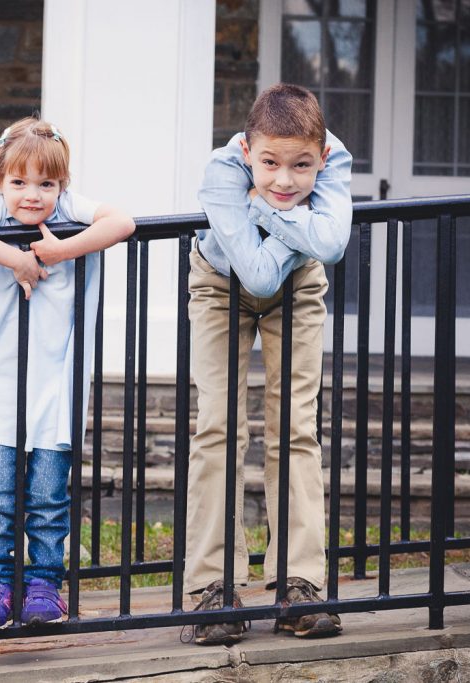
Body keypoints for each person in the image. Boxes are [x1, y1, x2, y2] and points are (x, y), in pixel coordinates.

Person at [0, 117, 135, 629]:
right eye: (19, 182)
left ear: (62, 185)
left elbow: (123, 223)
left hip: (58, 378)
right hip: (0, 379)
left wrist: (58, 250)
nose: (33, 195)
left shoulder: (71, 212)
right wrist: (16, 259)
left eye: (46, 184)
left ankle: (45, 584)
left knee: (49, 493)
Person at [185, 83, 353, 644]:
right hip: (220, 283)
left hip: (299, 287)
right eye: (269, 164)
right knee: (217, 429)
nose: (284, 180)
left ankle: (298, 584)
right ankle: (214, 588)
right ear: (245, 152)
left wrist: (261, 207)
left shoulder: (337, 157)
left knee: (296, 428)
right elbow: (257, 272)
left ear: (322, 157)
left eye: (302, 166)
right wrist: (303, 224)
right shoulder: (219, 169)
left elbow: (329, 248)